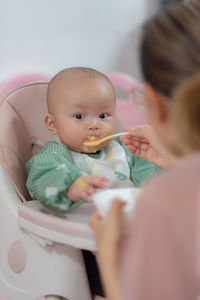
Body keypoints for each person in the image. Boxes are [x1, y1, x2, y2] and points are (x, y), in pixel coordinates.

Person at [89, 2, 200, 300]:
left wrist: (109, 261)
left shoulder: (165, 199)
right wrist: (178, 162)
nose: (93, 126)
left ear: (153, 103)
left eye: (102, 115)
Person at [25, 67, 160, 214]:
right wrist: (70, 187)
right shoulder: (54, 155)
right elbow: (42, 176)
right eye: (79, 116)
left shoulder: (125, 150)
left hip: (127, 220)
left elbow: (152, 179)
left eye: (103, 115)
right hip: (79, 226)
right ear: (53, 124)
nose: (94, 125)